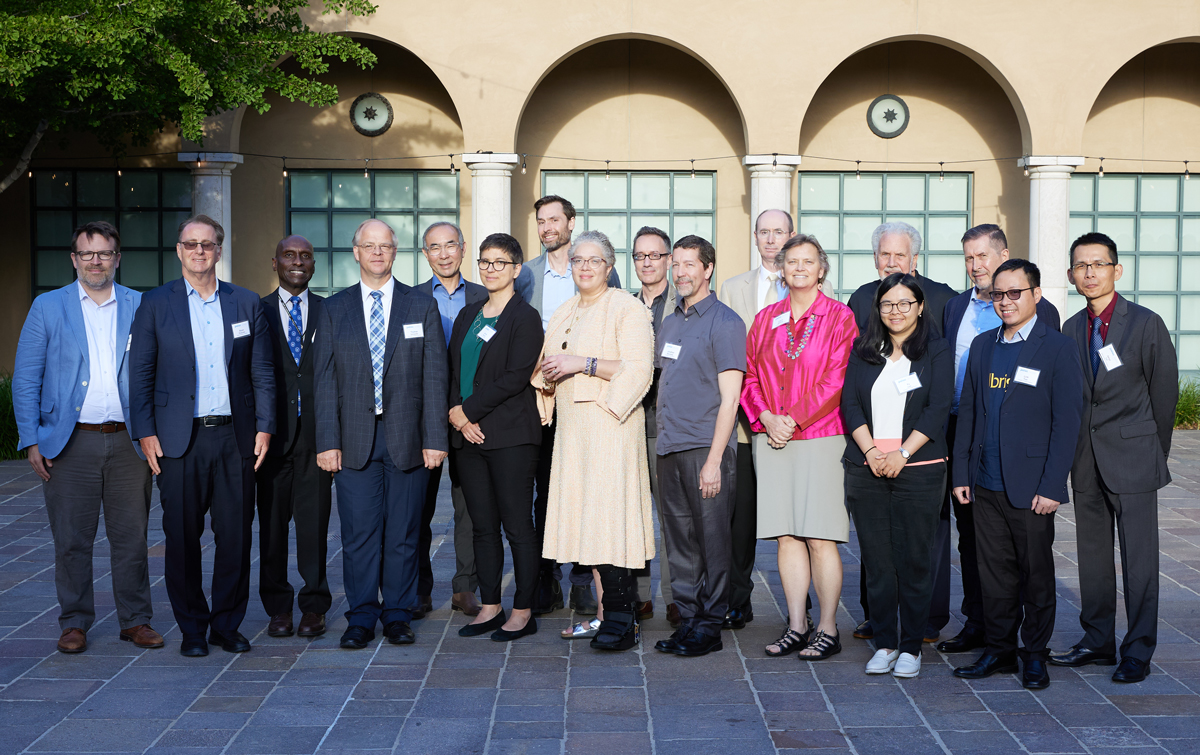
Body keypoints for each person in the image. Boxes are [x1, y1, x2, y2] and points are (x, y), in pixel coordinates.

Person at [130, 214, 275, 657]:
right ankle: (192, 628)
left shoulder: (246, 303)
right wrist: (145, 433)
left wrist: (266, 426)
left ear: (218, 250)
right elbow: (140, 375)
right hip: (178, 441)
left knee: (235, 537)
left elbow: (263, 372)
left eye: (207, 244)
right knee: (182, 537)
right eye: (190, 244)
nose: (198, 251)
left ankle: (226, 625)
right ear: (179, 250)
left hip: (236, 439)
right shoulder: (156, 303)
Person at [13, 221, 161, 655]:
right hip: (69, 443)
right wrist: (31, 439)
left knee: (132, 537)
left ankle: (136, 621)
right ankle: (74, 622)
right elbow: (26, 379)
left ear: (117, 258)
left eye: (104, 253)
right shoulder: (48, 306)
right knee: (72, 539)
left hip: (129, 443)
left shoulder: (141, 305)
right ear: (74, 259)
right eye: (87, 254)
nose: (96, 261)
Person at [313, 218, 449, 650]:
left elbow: (434, 376)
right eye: (368, 246)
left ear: (395, 252)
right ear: (355, 252)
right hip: (352, 441)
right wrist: (327, 442)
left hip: (408, 439)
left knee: (405, 534)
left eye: (385, 246)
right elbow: (324, 382)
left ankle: (397, 614)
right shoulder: (334, 309)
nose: (377, 253)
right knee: (358, 536)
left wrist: (435, 438)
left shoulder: (420, 305)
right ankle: (361, 617)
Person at [1049, 232, 1178, 684]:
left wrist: (1151, 452)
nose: (1089, 273)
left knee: (1140, 563)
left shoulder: (1145, 323)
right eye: (1081, 266)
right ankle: (1097, 640)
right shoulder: (1069, 328)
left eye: (1098, 264)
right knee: (1093, 559)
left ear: (1116, 270)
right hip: (1086, 461)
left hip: (1134, 459)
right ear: (1070, 274)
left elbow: (1164, 396)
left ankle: (1138, 650)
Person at [951, 259, 1083, 690]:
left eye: (1014, 293)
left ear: (1036, 295)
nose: (1005, 301)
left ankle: (1035, 654)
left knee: (1036, 575)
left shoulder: (1057, 348)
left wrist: (1052, 486)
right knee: (994, 574)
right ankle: (1000, 649)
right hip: (984, 483)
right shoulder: (983, 346)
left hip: (1030, 488)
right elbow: (969, 410)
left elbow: (1067, 423)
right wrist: (962, 473)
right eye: (997, 294)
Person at [937, 225, 1060, 655]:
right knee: (975, 541)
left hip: (1023, 452)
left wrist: (1050, 481)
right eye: (968, 258)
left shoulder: (1042, 321)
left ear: (1003, 254)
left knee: (1027, 554)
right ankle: (982, 624)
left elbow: (1058, 408)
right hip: (967, 435)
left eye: (983, 256)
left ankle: (1031, 646)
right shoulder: (956, 309)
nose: (976, 266)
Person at [534, 230, 655, 651]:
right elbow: (548, 364)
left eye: (594, 261)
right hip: (572, 432)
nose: (585, 267)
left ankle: (622, 618)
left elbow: (639, 368)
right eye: (578, 261)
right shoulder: (565, 310)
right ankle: (606, 616)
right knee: (589, 525)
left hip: (610, 427)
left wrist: (581, 364)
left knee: (611, 523)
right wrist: (546, 381)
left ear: (609, 266)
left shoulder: (626, 307)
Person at [741, 234, 857, 661]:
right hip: (770, 436)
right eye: (792, 261)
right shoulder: (766, 317)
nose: (800, 268)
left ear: (821, 269)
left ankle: (828, 627)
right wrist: (767, 418)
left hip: (820, 436)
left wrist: (793, 420)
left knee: (819, 534)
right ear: (782, 269)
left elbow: (837, 379)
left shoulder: (840, 317)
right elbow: (748, 375)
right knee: (785, 535)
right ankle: (796, 623)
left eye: (808, 261)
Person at [846, 220, 958, 642]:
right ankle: (877, 618)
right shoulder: (861, 298)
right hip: (872, 443)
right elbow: (853, 383)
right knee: (875, 541)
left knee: (925, 541)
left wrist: (910, 448)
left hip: (922, 446)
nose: (892, 262)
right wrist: (870, 447)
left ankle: (927, 620)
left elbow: (940, 388)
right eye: (885, 255)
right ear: (876, 259)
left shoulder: (942, 297)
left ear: (915, 259)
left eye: (900, 255)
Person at [516, 195, 620, 617]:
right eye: (540, 221)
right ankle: (545, 580)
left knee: (583, 489)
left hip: (582, 399)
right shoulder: (525, 275)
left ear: (571, 223)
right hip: (538, 396)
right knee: (544, 492)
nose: (546, 228)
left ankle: (583, 578)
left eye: (554, 220)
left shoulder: (597, 274)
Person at [652, 235, 745, 657]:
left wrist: (713, 462)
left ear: (708, 269)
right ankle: (688, 621)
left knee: (712, 541)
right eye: (677, 265)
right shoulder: (670, 322)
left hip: (707, 449)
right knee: (680, 543)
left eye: (691, 264)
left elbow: (731, 399)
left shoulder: (725, 323)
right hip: (669, 446)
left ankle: (710, 624)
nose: (682, 272)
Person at [449, 233, 544, 642]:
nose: (490, 269)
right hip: (468, 438)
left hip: (509, 438)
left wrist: (467, 410)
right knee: (482, 527)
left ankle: (523, 609)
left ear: (516, 269)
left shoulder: (525, 318)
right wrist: (457, 416)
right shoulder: (469, 314)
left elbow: (514, 377)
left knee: (517, 526)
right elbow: (452, 369)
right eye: (485, 262)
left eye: (499, 262)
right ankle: (490, 605)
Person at [717, 208, 795, 631]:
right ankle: (737, 599)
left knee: (794, 518)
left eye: (778, 232)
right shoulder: (733, 288)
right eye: (764, 232)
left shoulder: (813, 282)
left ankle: (800, 606)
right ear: (754, 236)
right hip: (748, 418)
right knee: (740, 517)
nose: (771, 240)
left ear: (791, 234)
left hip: (795, 420)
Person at [256, 234, 333, 639]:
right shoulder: (256, 310)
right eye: (289, 255)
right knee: (271, 527)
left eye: (306, 255)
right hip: (269, 438)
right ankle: (278, 608)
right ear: (276, 262)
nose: (298, 261)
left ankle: (314, 607)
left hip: (316, 437)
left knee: (314, 526)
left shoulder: (330, 310)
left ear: (313, 264)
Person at [415, 221, 484, 619]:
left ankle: (465, 587)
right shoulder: (409, 298)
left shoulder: (485, 296)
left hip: (469, 417)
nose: (443, 254)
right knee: (417, 510)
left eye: (450, 245)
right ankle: (419, 588)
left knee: (469, 507)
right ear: (425, 254)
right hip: (422, 418)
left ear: (462, 248)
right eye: (434, 247)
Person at [630, 225, 678, 629]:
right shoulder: (623, 305)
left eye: (655, 255)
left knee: (673, 515)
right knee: (635, 514)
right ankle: (640, 595)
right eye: (640, 256)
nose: (647, 262)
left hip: (669, 425)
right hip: (630, 424)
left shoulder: (684, 304)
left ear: (668, 260)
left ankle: (679, 597)